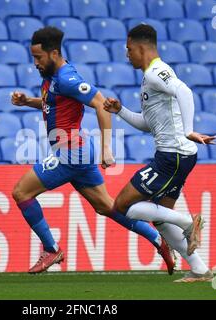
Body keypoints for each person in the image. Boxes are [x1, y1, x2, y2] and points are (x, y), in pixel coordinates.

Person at [11, 26, 175, 274]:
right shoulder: (53, 76)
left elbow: (101, 104)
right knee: (108, 207)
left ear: (53, 53)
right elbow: (53, 105)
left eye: (38, 57)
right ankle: (158, 239)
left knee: (21, 192)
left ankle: (51, 249)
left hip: (70, 153)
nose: (35, 63)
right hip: (77, 151)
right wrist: (28, 102)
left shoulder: (67, 78)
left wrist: (106, 148)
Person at [103, 24, 216, 283]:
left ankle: (189, 222)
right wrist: (120, 110)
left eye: (129, 49)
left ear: (141, 47)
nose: (127, 54)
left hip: (172, 156)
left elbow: (184, 91)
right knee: (161, 219)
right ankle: (200, 269)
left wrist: (188, 130)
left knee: (122, 206)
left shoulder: (157, 72)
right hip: (178, 156)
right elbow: (148, 124)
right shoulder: (149, 77)